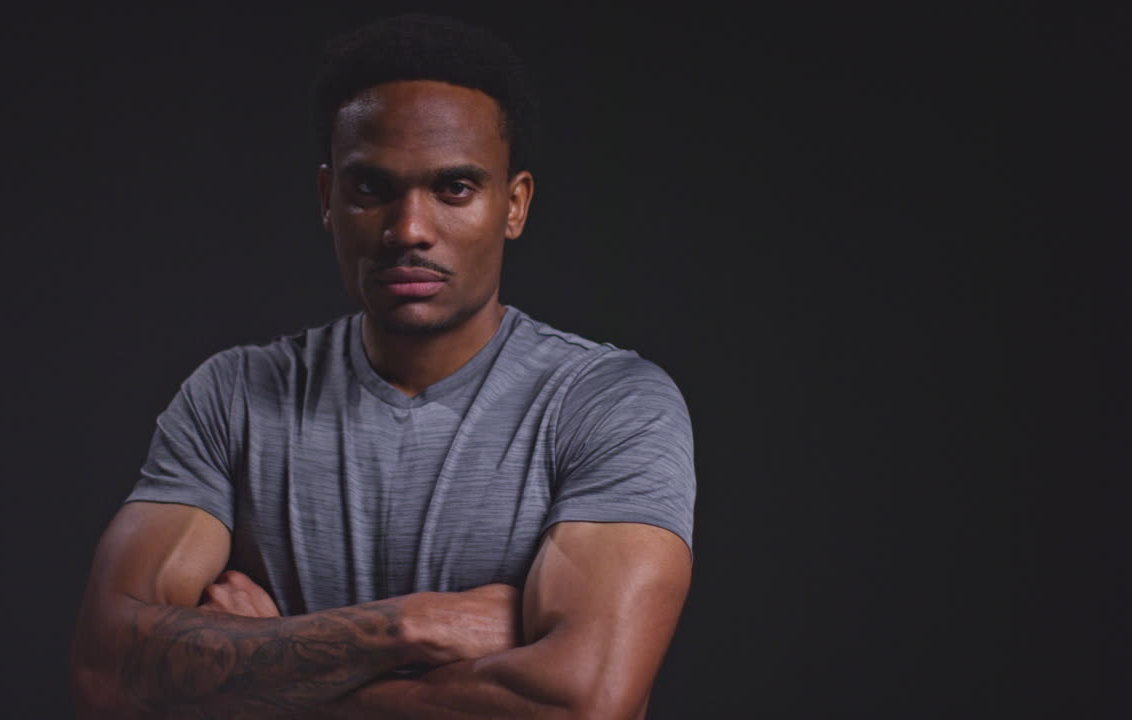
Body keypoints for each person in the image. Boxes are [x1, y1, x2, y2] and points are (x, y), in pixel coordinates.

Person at [71, 13, 695, 719]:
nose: (409, 229)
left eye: (454, 189)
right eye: (372, 189)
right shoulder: (234, 397)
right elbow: (107, 672)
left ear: (513, 205)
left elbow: (583, 703)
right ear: (327, 200)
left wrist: (266, 669)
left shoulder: (606, 403)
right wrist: (411, 626)